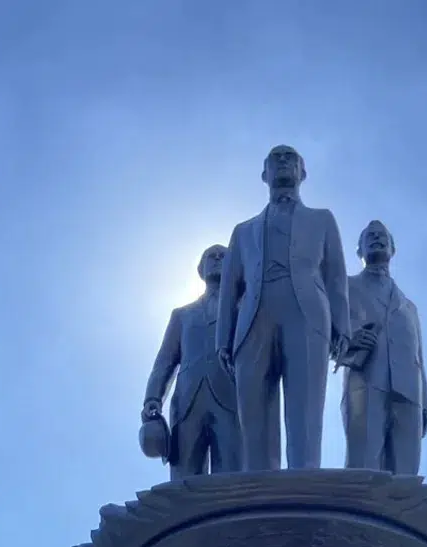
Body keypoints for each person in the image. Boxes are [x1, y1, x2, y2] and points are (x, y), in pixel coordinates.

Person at [215, 145, 351, 471]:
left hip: (307, 314)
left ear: (303, 172)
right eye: (276, 158)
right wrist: (223, 339)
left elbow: (335, 275)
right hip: (253, 319)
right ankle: (260, 484)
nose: (283, 162)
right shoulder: (243, 231)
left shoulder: (322, 219)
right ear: (264, 174)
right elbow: (230, 288)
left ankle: (304, 479)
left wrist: (342, 326)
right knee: (253, 414)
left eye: (290, 157)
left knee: (306, 408)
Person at [143, 244, 241, 478]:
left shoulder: (245, 308)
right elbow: (165, 360)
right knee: (183, 478)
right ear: (201, 269)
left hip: (232, 397)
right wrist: (153, 397)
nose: (216, 259)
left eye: (222, 256)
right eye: (210, 256)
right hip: (187, 402)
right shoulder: (182, 315)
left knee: (231, 477)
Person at [339, 220, 427, 475]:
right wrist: (348, 341)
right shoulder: (346, 287)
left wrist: (425, 402)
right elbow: (326, 329)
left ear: (392, 248)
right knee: (363, 465)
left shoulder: (409, 307)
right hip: (366, 381)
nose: (377, 239)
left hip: (409, 390)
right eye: (370, 236)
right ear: (359, 250)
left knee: (407, 473)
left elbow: (419, 357)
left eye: (382, 236)